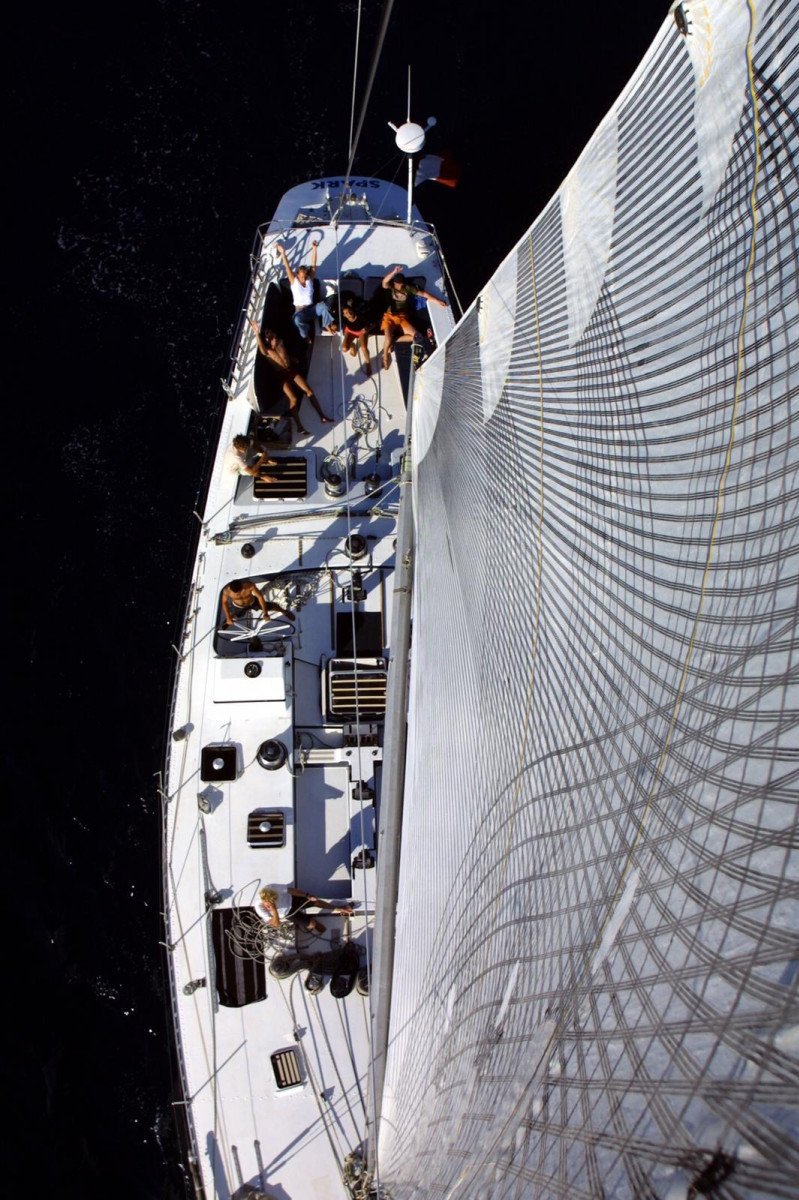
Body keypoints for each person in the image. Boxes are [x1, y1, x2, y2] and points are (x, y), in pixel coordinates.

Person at [249, 319, 332, 432]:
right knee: (293, 399)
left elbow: (285, 355)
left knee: (309, 391)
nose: (269, 336)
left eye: (270, 333)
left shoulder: (280, 342)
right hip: (281, 376)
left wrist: (292, 358)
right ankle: (299, 426)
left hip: (291, 370)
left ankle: (322, 416)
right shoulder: (268, 351)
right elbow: (262, 350)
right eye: (266, 335)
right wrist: (257, 333)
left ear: (274, 334)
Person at [380, 265, 448, 369]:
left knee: (417, 337)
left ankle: (394, 341)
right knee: (387, 339)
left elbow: (424, 294)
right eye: (398, 284)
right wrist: (394, 272)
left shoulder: (408, 288)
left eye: (401, 284)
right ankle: (385, 355)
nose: (400, 286)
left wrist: (437, 301)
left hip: (402, 317)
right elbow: (384, 282)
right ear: (394, 283)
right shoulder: (391, 288)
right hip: (389, 316)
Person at [275, 242, 337, 342]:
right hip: (300, 312)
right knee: (297, 320)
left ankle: (326, 325)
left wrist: (314, 249)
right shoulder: (294, 282)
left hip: (311, 309)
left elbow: (313, 266)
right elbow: (287, 268)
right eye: (302, 276)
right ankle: (305, 336)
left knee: (323, 306)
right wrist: (283, 253)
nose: (304, 278)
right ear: (297, 275)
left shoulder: (309, 280)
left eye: (305, 276)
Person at [258, 886, 353, 935]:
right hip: (288, 914)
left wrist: (307, 895)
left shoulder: (271, 888)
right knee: (313, 925)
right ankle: (312, 921)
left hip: (292, 900)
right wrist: (274, 911)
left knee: (316, 902)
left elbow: (290, 890)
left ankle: (339, 909)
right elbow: (276, 924)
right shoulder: (259, 908)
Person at [221, 579, 294, 627]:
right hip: (238, 606)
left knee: (272, 606)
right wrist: (228, 617)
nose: (238, 593)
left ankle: (284, 612)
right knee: (231, 616)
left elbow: (259, 597)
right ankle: (228, 621)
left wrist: (265, 613)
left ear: (242, 586)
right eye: (236, 592)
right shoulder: (226, 591)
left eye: (240, 591)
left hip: (252, 602)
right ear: (230, 589)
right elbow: (224, 602)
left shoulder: (249, 585)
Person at [340, 294, 375, 376]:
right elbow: (333, 318)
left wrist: (367, 328)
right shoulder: (343, 318)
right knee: (344, 348)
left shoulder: (360, 316)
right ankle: (352, 345)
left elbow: (373, 323)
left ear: (352, 310)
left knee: (363, 347)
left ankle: (368, 363)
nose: (348, 314)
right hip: (350, 331)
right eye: (345, 313)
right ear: (343, 315)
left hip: (361, 331)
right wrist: (332, 325)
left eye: (349, 311)